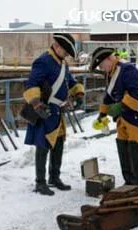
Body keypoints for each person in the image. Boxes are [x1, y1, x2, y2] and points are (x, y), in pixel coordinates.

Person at [89, 47, 138, 188]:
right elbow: (109, 95)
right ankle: (129, 182)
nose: (101, 68)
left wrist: (120, 107)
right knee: (123, 146)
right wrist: (102, 114)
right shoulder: (112, 72)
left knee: (135, 150)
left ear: (109, 59)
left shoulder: (127, 69)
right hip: (126, 117)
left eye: (101, 65)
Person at [23, 33, 85, 195]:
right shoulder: (43, 61)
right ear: (57, 46)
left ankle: (54, 178)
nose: (66, 55)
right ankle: (40, 182)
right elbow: (32, 84)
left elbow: (70, 82)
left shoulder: (62, 63)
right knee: (42, 146)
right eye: (65, 51)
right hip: (45, 110)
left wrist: (78, 94)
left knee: (58, 145)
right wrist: (37, 104)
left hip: (58, 111)